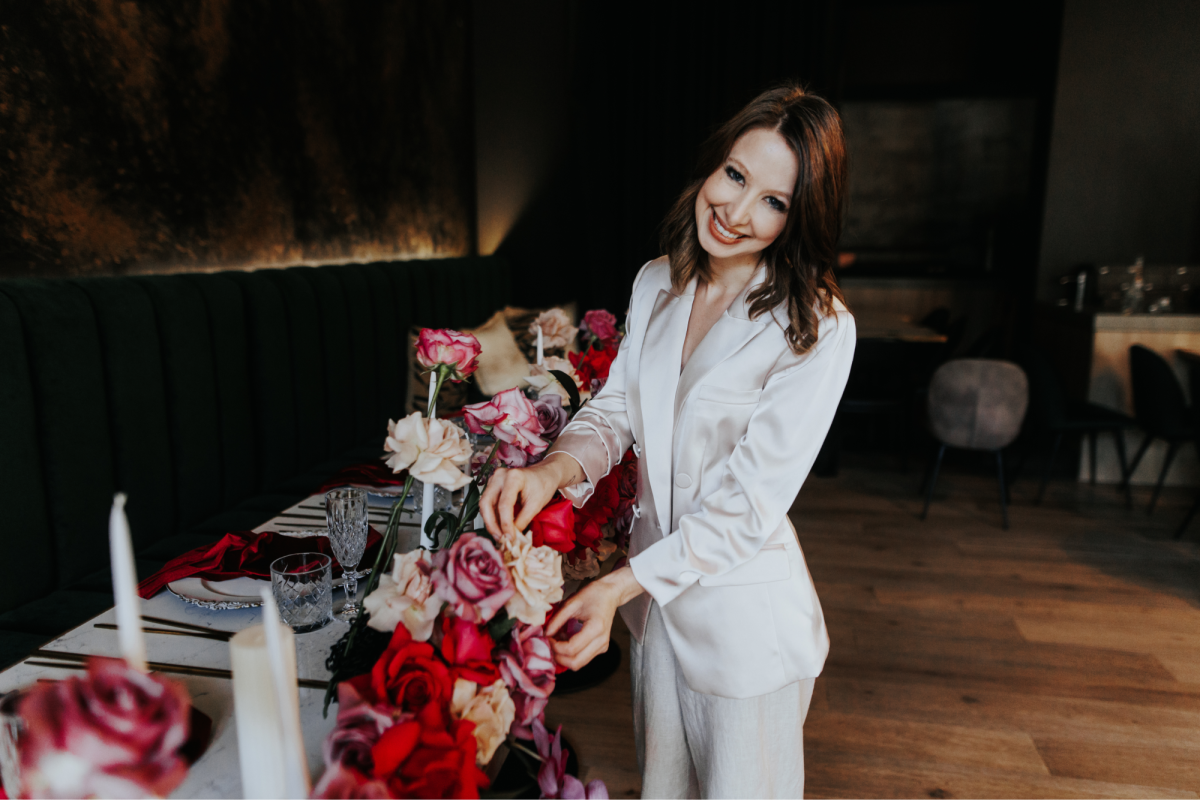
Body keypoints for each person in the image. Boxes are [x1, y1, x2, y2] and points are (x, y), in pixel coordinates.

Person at [480, 84, 855, 799]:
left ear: (798, 217)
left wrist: (619, 581)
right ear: (712, 165)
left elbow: (748, 506)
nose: (739, 212)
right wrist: (552, 471)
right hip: (651, 617)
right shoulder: (658, 281)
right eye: (736, 176)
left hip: (743, 630)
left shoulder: (819, 328)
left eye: (774, 202)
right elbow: (617, 408)